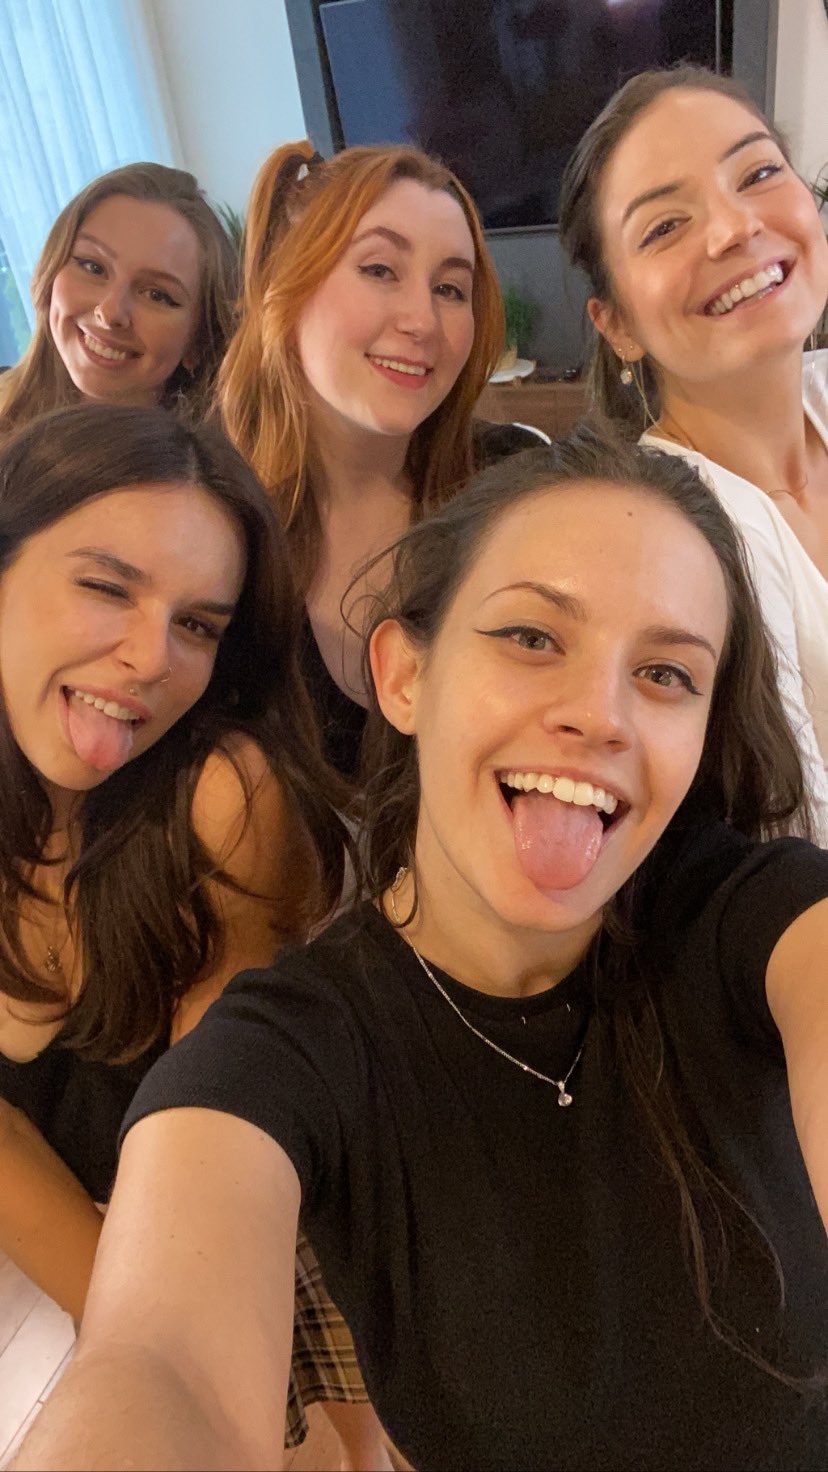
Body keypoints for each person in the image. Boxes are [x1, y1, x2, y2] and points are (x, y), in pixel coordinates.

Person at [15, 427, 828, 1472]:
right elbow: (164, 1361)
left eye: (667, 672)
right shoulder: (294, 1044)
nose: (600, 714)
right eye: (532, 636)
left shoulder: (764, 921)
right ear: (403, 674)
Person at [0, 403, 359, 1458]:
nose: (150, 657)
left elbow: (216, 1160)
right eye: (107, 587)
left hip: (238, 1236)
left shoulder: (222, 799)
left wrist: (153, 1378)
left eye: (198, 624)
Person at [558, 65, 828, 840]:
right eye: (664, 226)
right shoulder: (654, 547)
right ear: (617, 325)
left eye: (759, 173)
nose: (734, 228)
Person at [219, 139, 541, 777]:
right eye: (379, 270)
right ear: (285, 283)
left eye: (450, 288)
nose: (423, 320)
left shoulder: (514, 482)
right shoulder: (212, 524)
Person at [0, 162, 238, 437]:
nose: (110, 312)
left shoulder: (215, 462)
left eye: (157, 295)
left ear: (199, 339)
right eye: (93, 267)